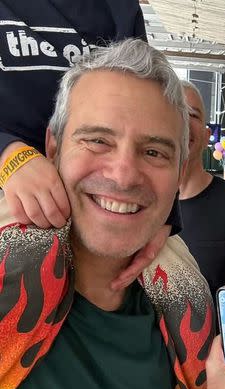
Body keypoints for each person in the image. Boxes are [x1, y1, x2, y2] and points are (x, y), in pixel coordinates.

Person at [0, 39, 225, 389]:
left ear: (180, 172)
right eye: (98, 140)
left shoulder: (180, 307)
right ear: (53, 148)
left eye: (154, 151)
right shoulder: (11, 278)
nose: (123, 173)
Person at [0, 0, 176, 288]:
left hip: (102, 182)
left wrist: (166, 214)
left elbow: (149, 96)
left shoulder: (120, 8)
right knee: (22, 277)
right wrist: (7, 153)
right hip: (12, 186)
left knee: (182, 288)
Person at [178, 80, 225, 300]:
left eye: (193, 115)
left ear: (205, 134)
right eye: (175, 110)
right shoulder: (138, 210)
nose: (183, 121)